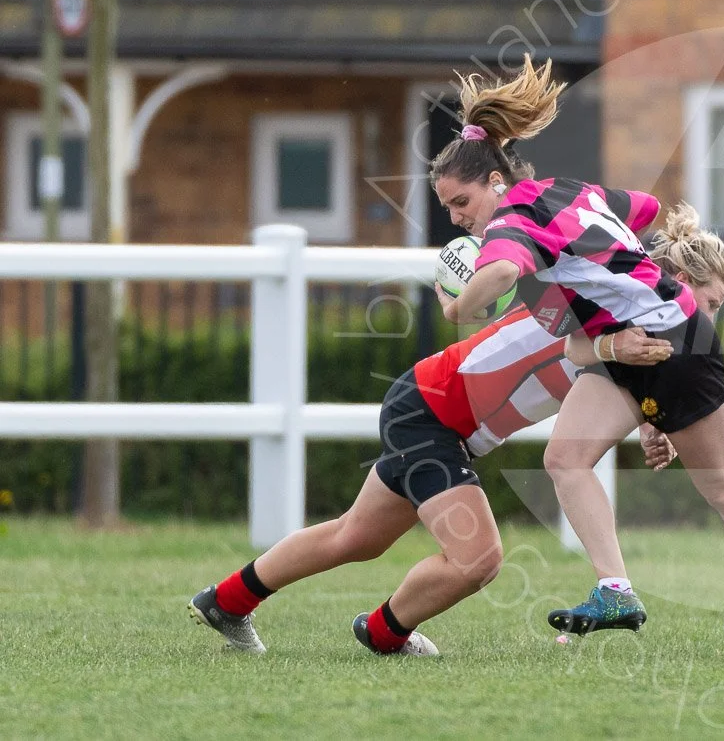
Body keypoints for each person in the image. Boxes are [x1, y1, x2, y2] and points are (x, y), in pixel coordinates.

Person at [187, 140, 672, 656]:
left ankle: (227, 601)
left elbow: (641, 216)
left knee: (356, 537)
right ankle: (382, 633)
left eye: (459, 204)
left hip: (429, 412)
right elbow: (588, 344)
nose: (456, 218)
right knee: (478, 557)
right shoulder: (578, 299)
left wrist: (649, 418)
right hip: (427, 412)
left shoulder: (598, 309)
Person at [439, 57, 724, 659]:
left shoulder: (513, 219)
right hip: (631, 349)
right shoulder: (570, 192)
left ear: (494, 183)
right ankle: (616, 590)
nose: (456, 218)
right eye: (448, 207)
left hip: (677, 340)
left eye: (460, 202)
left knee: (723, 486)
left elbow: (498, 269)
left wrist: (456, 309)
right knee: (566, 458)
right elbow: (647, 212)